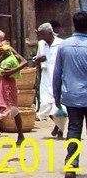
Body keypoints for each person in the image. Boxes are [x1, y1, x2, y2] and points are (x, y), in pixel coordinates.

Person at [54, 11, 87, 178]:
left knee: (74, 129)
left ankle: (71, 165)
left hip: (71, 96)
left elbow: (57, 73)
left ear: (74, 25)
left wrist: (56, 95)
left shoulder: (64, 46)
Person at [0, 27, 26, 148]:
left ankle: (21, 135)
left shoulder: (8, 49)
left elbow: (24, 62)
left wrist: (13, 70)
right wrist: (1, 59)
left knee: (13, 109)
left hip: (9, 83)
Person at [35, 22, 67, 138]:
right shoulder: (41, 44)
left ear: (49, 33)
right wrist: (38, 60)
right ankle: (57, 126)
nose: (42, 37)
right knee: (46, 105)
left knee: (59, 105)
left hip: (58, 77)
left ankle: (60, 129)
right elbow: (37, 59)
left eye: (43, 34)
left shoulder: (61, 44)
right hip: (46, 77)